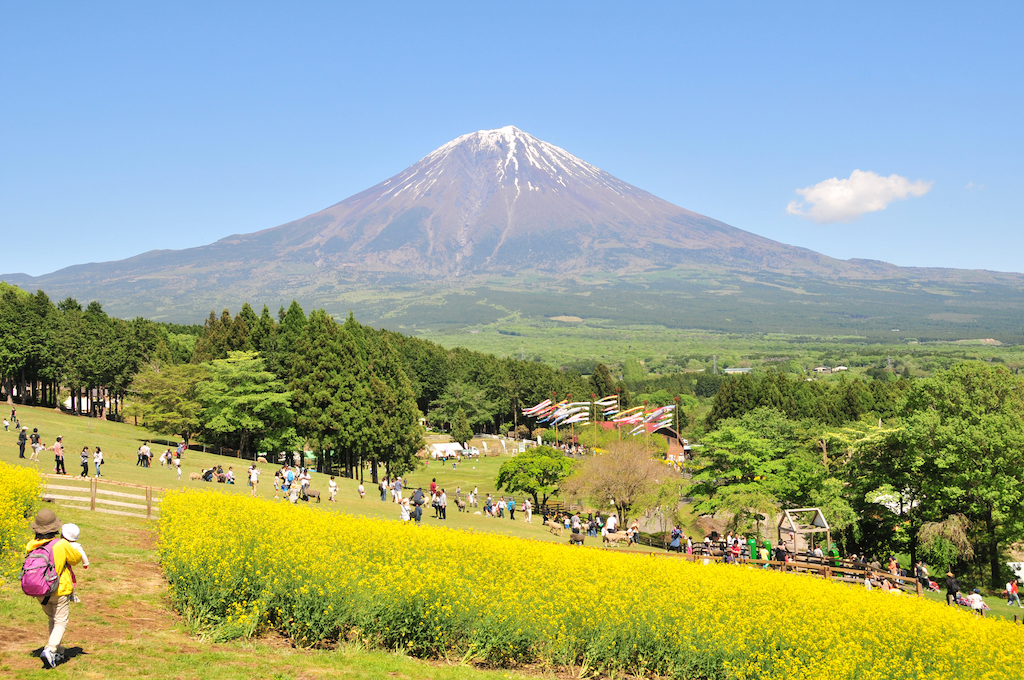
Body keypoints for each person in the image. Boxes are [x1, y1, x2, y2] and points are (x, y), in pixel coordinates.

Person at [26, 508, 83, 669]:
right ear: (55, 528)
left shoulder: (31, 544)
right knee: (61, 621)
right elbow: (76, 559)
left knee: (53, 619)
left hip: (40, 591)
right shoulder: (61, 544)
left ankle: (57, 649)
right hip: (59, 589)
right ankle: (50, 650)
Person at [61, 523, 90, 603]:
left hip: (59, 563)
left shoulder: (60, 543)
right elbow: (83, 554)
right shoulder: (76, 545)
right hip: (68, 566)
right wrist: (85, 564)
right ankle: (73, 594)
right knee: (71, 578)